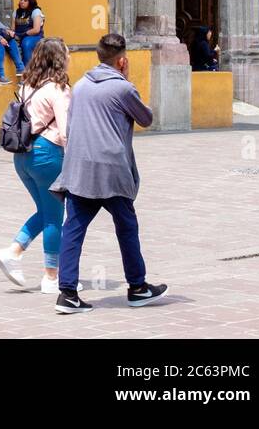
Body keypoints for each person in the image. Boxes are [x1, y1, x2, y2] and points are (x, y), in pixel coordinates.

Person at [52, 33, 167, 314]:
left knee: (73, 229)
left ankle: (67, 293)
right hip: (111, 170)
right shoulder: (122, 89)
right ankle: (137, 287)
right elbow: (147, 118)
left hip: (80, 167)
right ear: (122, 60)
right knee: (127, 227)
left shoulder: (80, 86)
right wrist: (127, 80)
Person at [0, 37, 72, 294]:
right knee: (54, 218)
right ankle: (51, 277)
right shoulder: (58, 89)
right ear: (59, 58)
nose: (70, 57)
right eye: (67, 53)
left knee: (45, 211)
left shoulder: (28, 85)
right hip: (48, 155)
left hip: (23, 155)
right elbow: (64, 133)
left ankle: (14, 251)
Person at [13, 0, 46, 64]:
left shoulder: (36, 11)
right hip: (18, 36)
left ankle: (27, 70)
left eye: (25, 0)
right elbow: (13, 29)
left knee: (26, 43)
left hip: (35, 36)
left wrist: (21, 35)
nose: (22, 2)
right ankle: (19, 67)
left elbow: (36, 30)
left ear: (31, 2)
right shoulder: (16, 12)